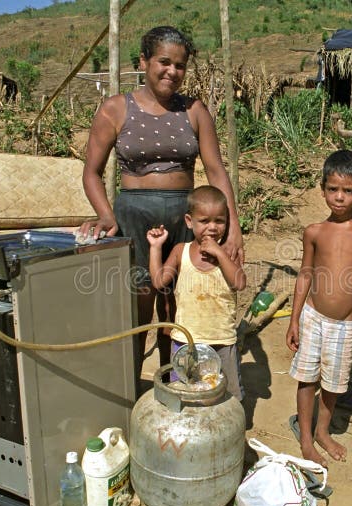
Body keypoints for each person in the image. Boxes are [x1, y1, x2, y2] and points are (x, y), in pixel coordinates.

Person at [79, 26, 244, 370]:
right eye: (164, 62)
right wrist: (106, 215)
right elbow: (91, 172)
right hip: (133, 218)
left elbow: (215, 171)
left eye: (180, 65)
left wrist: (234, 228)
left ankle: (174, 381)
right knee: (139, 303)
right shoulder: (115, 109)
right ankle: (134, 387)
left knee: (176, 305)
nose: (172, 71)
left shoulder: (194, 110)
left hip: (185, 220)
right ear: (144, 61)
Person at [285, 150, 352, 467]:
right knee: (307, 379)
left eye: (348, 191)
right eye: (333, 189)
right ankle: (305, 438)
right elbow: (305, 275)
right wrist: (294, 320)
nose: (339, 198)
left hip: (345, 324)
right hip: (313, 318)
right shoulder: (314, 232)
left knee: (333, 383)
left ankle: (322, 431)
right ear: (323, 188)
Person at [146, 186, 247, 400]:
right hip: (185, 341)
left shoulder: (228, 254)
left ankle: (227, 432)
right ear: (189, 221)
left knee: (227, 396)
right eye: (204, 221)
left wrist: (219, 253)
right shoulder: (180, 251)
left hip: (222, 341)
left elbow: (239, 283)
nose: (212, 227)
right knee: (184, 393)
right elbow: (158, 281)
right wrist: (155, 247)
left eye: (219, 221)